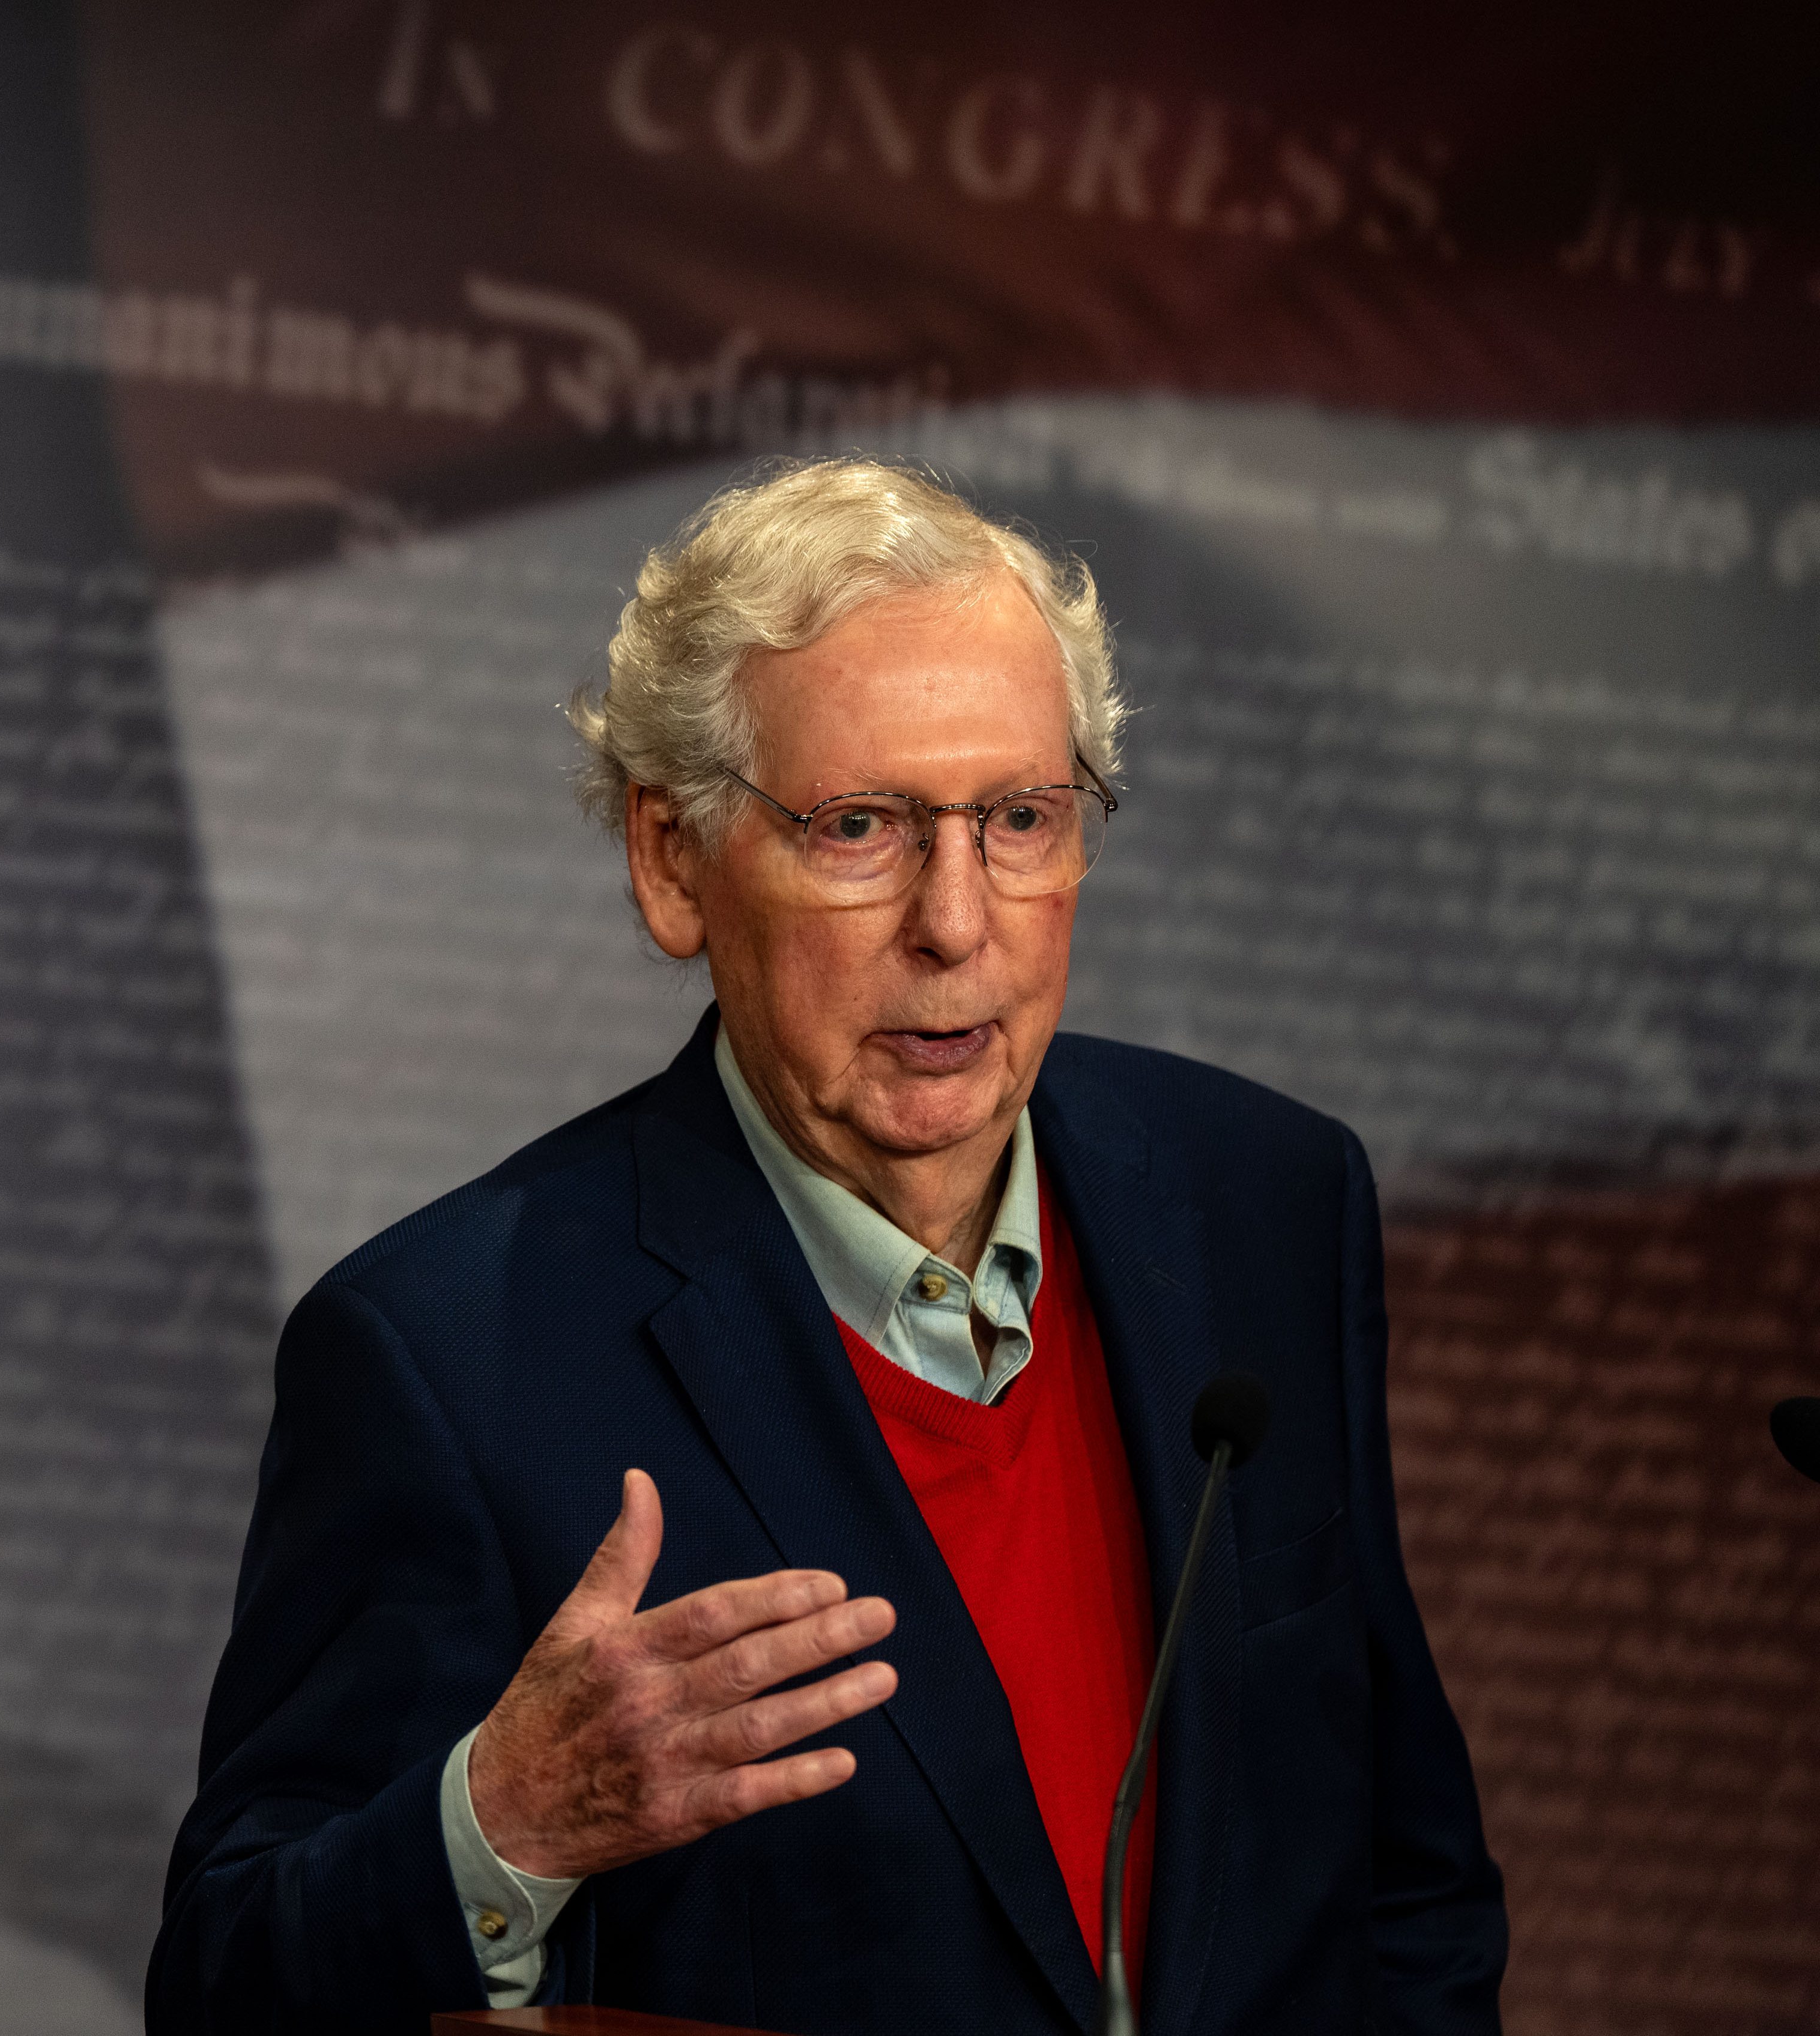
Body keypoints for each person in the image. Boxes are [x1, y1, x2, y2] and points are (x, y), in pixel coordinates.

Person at [147, 461, 1505, 2035]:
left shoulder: (1264, 1204)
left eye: (1019, 819)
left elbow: (1402, 1880)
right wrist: (502, 1826)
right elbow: (229, 1989)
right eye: (860, 827)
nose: (956, 921)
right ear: (673, 864)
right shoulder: (451, 1354)